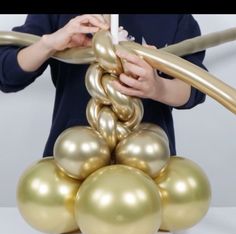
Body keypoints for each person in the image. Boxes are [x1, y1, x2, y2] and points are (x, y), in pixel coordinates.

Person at [0, 14, 206, 156]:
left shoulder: (176, 17)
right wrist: (48, 44)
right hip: (72, 162)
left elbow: (195, 89)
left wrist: (158, 88)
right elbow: (7, 74)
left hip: (148, 163)